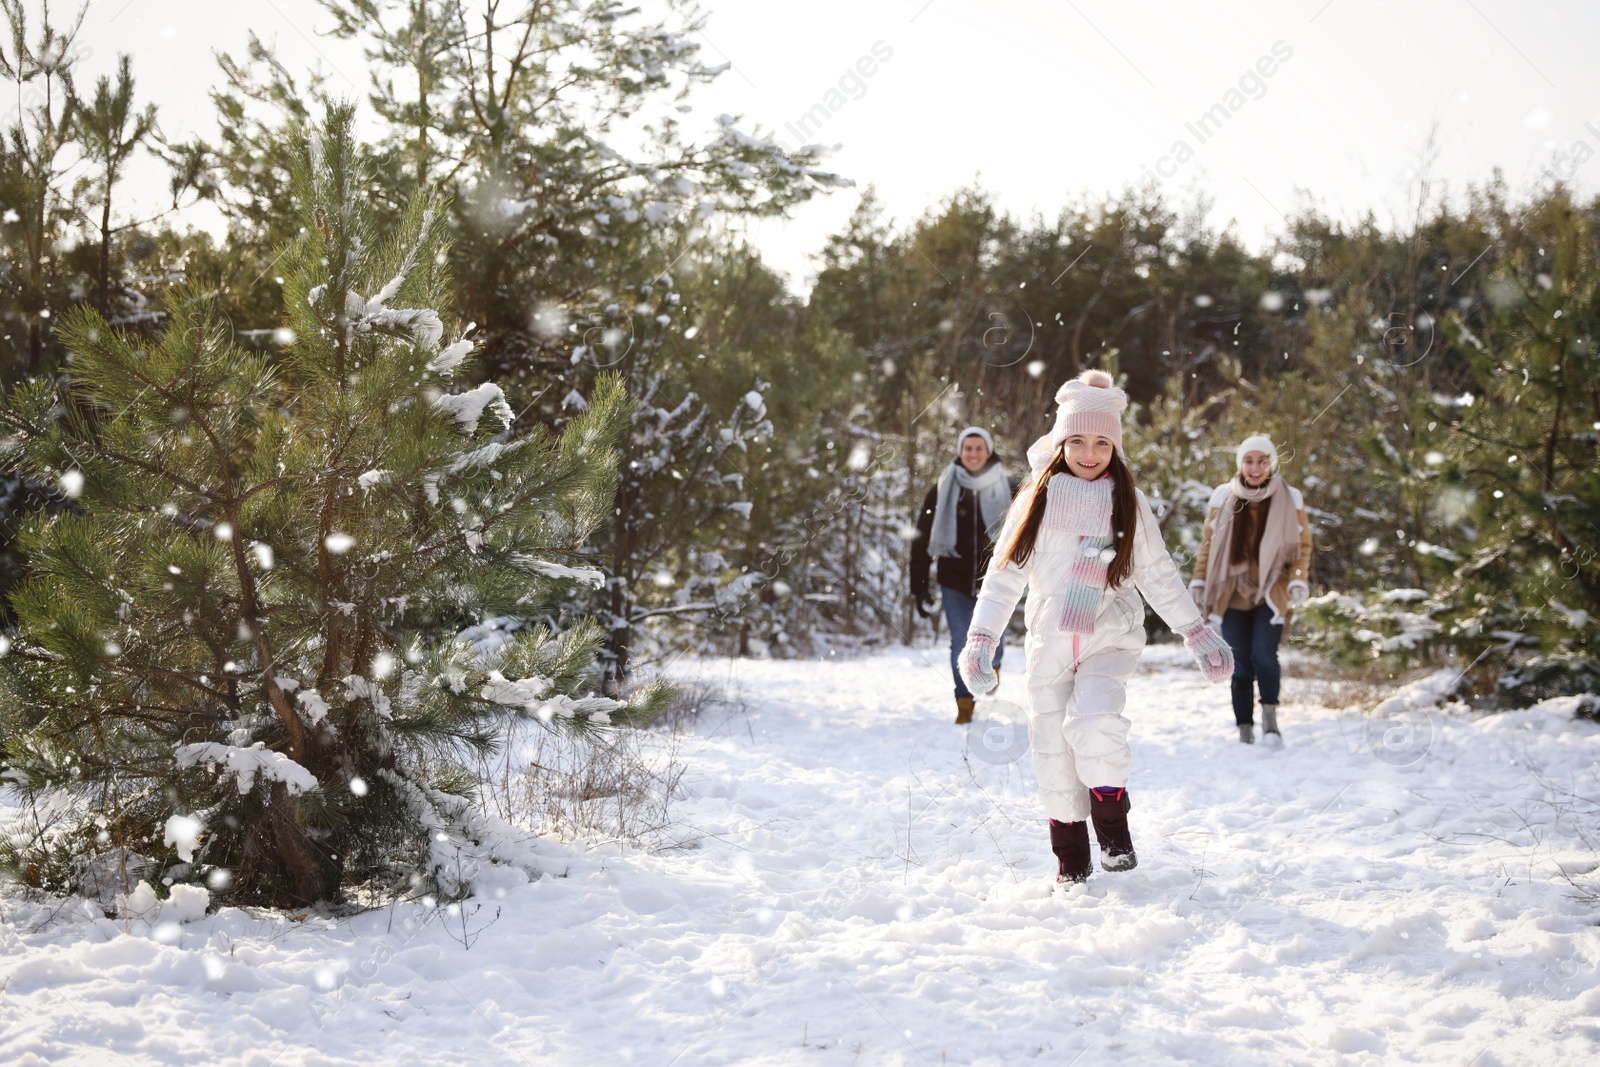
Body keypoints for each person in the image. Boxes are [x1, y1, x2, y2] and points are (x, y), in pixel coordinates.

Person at [956, 370, 1233, 886]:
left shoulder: (1127, 499)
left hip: (1110, 635)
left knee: (1095, 722)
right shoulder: (1035, 499)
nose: (1089, 452)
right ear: (1060, 441)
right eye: (1078, 440)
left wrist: (1195, 632)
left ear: (1115, 445)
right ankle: (1071, 860)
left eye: (1102, 442)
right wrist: (982, 639)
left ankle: (1112, 830)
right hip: (1049, 640)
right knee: (1052, 748)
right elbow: (1003, 577)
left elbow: (1157, 572)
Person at [1188, 434, 1314, 747]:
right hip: (1231, 594)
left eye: (1262, 460)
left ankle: (1270, 722)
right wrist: (1200, 581)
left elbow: (1302, 546)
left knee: (1265, 657)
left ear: (1272, 462)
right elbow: (1208, 546)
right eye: (1249, 460)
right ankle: (1245, 728)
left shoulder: (1290, 498)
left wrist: (1298, 579)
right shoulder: (1223, 497)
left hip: (1273, 593)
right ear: (1240, 463)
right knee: (1240, 664)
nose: (1255, 467)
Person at [911, 427, 1015, 725]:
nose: (972, 454)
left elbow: (1026, 534)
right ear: (960, 451)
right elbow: (921, 538)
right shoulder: (943, 487)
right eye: (967, 448)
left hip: (996, 580)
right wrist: (919, 586)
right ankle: (964, 703)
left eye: (978, 448)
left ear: (988, 451)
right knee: (960, 642)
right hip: (954, 580)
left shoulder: (1008, 485)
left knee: (993, 642)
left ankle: (993, 664)